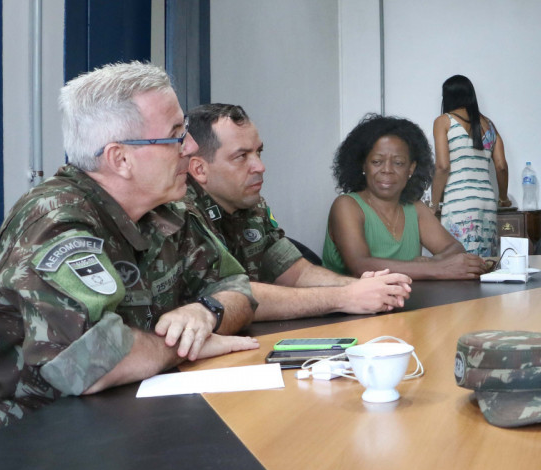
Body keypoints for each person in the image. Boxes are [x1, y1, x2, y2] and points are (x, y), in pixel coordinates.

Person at [0, 63, 259, 459]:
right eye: (175, 135)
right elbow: (91, 363)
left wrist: (204, 313)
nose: (191, 147)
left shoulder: (166, 209)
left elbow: (237, 286)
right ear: (120, 159)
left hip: (112, 430)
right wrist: (183, 346)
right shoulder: (56, 221)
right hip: (11, 455)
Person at [183, 104, 413, 319]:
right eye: (242, 156)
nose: (260, 167)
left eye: (258, 153)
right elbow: (232, 297)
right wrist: (345, 297)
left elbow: (295, 271)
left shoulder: (251, 204)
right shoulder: (181, 213)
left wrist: (361, 287)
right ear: (200, 169)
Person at [325, 114, 487, 280]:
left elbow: (455, 248)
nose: (387, 170)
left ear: (411, 169)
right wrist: (437, 268)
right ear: (363, 165)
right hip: (352, 304)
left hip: (407, 303)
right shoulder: (346, 205)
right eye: (376, 161)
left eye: (398, 163)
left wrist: (432, 263)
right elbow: (361, 266)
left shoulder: (414, 208)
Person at [430, 75, 510, 257]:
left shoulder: (443, 121)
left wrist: (433, 205)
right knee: (484, 259)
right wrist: (503, 198)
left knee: (458, 259)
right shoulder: (489, 125)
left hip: (459, 200)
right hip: (486, 201)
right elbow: (501, 166)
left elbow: (442, 167)